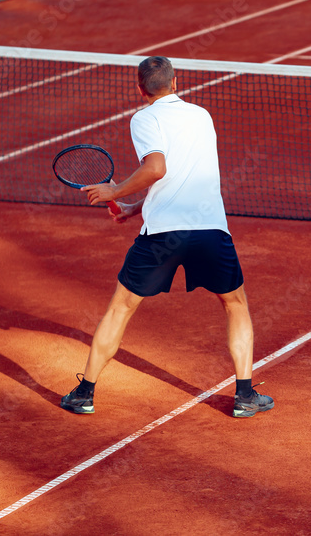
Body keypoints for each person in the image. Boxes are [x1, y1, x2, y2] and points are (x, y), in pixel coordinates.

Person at [60, 56, 273, 419]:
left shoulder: (144, 118)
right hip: (209, 229)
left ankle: (85, 393)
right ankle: (244, 395)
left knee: (121, 308)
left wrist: (114, 193)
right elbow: (179, 177)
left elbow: (157, 168)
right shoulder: (201, 115)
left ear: (140, 89)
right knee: (235, 304)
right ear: (175, 83)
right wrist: (135, 207)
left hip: (162, 237)